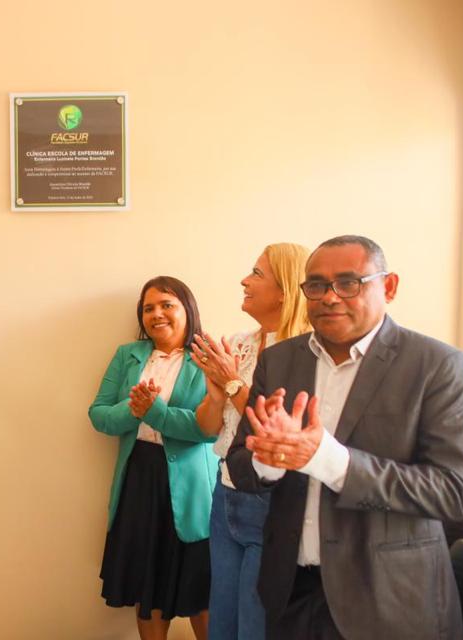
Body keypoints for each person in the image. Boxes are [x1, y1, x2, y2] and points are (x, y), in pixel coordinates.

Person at [226, 235, 463, 639]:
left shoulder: (436, 365)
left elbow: (453, 492)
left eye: (349, 283)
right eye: (317, 285)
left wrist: (329, 459)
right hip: (290, 591)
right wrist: (267, 461)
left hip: (388, 600)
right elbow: (240, 463)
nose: (330, 297)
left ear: (389, 286)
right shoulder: (278, 360)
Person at [190, 243, 311, 640]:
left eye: (257, 274)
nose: (244, 280)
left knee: (254, 624)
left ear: (285, 290)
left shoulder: (306, 353)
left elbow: (273, 429)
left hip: (271, 502)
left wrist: (231, 382)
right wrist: (215, 395)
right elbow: (209, 428)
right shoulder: (238, 344)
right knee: (221, 621)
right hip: (225, 491)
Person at [89, 276, 218, 640]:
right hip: (139, 480)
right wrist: (134, 410)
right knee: (147, 588)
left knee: (203, 591)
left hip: (193, 489)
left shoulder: (210, 358)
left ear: (187, 310)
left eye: (167, 305)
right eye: (148, 308)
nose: (156, 314)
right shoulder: (127, 355)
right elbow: (99, 415)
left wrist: (155, 412)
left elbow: (209, 429)